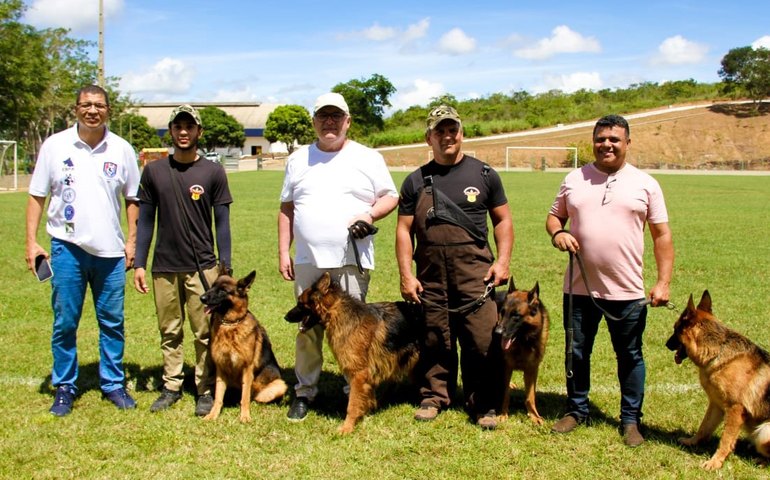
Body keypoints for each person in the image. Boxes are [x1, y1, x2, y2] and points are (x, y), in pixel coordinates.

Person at [546, 114, 674, 447]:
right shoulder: (574, 178)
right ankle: (576, 410)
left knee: (630, 355)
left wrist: (663, 283)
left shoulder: (646, 184)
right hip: (578, 288)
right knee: (576, 352)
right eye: (601, 138)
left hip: (627, 290)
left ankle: (631, 421)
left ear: (627, 143)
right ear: (593, 142)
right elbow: (554, 216)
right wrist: (558, 233)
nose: (607, 144)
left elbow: (662, 235)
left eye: (614, 139)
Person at [278, 92, 399, 422]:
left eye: (336, 116)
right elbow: (287, 208)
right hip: (307, 259)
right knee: (307, 328)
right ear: (314, 121)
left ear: (347, 121)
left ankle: (353, 390)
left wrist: (369, 216)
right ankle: (304, 392)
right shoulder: (298, 159)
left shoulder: (368, 157)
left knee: (354, 331)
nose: (329, 122)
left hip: (350, 258)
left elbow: (390, 196)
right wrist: (283, 251)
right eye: (323, 116)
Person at [395, 105, 513, 430]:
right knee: (435, 338)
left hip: (476, 274)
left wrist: (502, 261)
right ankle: (434, 397)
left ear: (461, 133)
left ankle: (483, 403)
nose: (447, 136)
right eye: (440, 131)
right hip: (430, 275)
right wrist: (406, 275)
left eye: (453, 130)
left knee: (481, 340)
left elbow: (502, 220)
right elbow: (404, 230)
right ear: (428, 137)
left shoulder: (485, 175)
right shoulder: (415, 181)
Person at [25, 84, 140, 416]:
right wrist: (31, 242)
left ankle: (113, 384)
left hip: (110, 253)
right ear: (75, 108)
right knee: (65, 322)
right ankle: (65, 386)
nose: (93, 110)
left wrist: (131, 241)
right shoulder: (55, 145)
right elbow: (37, 196)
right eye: (86, 105)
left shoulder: (121, 149)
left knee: (112, 322)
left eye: (99, 105)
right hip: (66, 249)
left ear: (108, 110)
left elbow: (133, 199)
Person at [133, 104, 233, 416]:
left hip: (202, 267)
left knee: (204, 331)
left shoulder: (213, 172)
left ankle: (204, 387)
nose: (184, 132)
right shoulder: (154, 172)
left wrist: (225, 267)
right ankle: (172, 385)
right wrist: (139, 262)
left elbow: (223, 223)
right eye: (178, 126)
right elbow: (146, 220)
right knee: (170, 330)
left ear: (199, 132)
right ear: (171, 131)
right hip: (164, 266)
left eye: (190, 127)